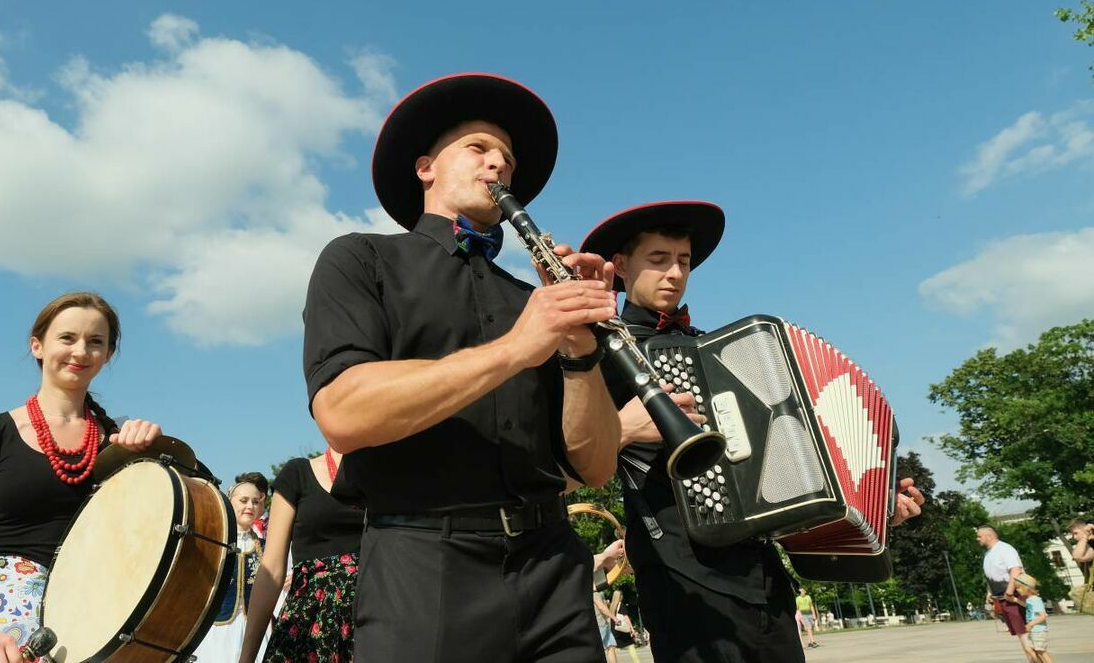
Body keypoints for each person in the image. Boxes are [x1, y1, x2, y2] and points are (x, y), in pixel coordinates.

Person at [302, 73, 621, 661]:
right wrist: (514, 349)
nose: (499, 165)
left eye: (508, 158)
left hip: (552, 566)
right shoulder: (361, 258)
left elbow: (596, 467)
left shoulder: (533, 302)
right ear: (426, 167)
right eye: (478, 148)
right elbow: (343, 412)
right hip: (424, 566)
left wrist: (580, 350)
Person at [579, 202, 926, 663]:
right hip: (682, 578)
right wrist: (620, 428)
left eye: (682, 261)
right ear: (620, 267)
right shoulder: (602, 352)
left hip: (761, 575)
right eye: (658, 259)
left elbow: (782, 474)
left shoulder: (716, 352)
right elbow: (571, 452)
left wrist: (875, 504)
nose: (674, 274)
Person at [0, 291, 162, 663]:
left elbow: (149, 549)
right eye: (67, 338)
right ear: (37, 346)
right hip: (0, 631)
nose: (80, 351)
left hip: (98, 625)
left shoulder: (120, 445)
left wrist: (155, 462)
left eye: (95, 342)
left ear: (108, 354)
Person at [238, 448, 364, 663]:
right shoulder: (298, 473)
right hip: (307, 624)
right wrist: (246, 658)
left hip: (371, 620)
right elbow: (272, 570)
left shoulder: (388, 475)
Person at [194, 473, 269, 661]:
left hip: (255, 630)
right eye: (243, 500)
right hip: (217, 629)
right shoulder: (214, 542)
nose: (249, 506)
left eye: (254, 501)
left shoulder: (267, 547)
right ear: (230, 502)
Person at [978, 525, 1031, 661]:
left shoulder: (1004, 549)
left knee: (1027, 638)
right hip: (1001, 598)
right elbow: (991, 575)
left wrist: (1009, 592)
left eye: (979, 536)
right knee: (1022, 637)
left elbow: (1015, 570)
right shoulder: (988, 553)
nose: (977, 539)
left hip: (1014, 596)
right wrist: (989, 593)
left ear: (989, 536)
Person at [1011, 572, 1054, 663]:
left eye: (1018, 587)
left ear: (1027, 587)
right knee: (1036, 651)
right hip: (1034, 631)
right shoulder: (1030, 600)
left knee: (1042, 652)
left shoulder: (1035, 600)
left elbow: (1043, 616)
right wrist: (1016, 600)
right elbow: (1027, 606)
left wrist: (1031, 624)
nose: (1017, 590)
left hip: (1039, 630)